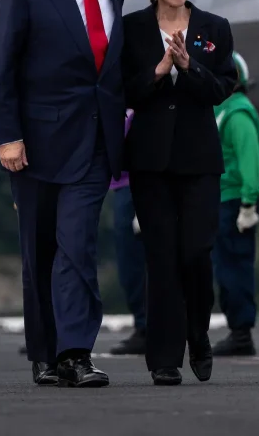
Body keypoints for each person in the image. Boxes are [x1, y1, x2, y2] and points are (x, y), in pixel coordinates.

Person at [0, 0, 128, 388]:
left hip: (94, 142)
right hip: (36, 144)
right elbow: (1, 63)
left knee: (78, 247)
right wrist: (7, 135)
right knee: (39, 250)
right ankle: (44, 355)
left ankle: (76, 353)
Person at [121, 0, 238, 386]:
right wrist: (157, 70)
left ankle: (199, 335)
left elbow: (221, 88)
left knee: (195, 253)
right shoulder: (131, 28)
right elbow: (123, 90)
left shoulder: (214, 26)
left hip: (199, 160)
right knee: (161, 259)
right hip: (150, 161)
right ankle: (164, 359)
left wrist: (188, 66)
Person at [211, 51, 259, 356]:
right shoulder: (222, 108)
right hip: (222, 198)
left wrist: (248, 204)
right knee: (225, 267)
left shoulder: (237, 112)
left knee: (235, 267)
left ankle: (241, 333)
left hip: (235, 200)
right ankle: (237, 329)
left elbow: (250, 161)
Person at [108, 109, 148, 355]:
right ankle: (143, 323)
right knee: (128, 263)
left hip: (135, 189)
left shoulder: (138, 115)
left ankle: (146, 326)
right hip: (122, 188)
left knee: (135, 263)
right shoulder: (125, 112)